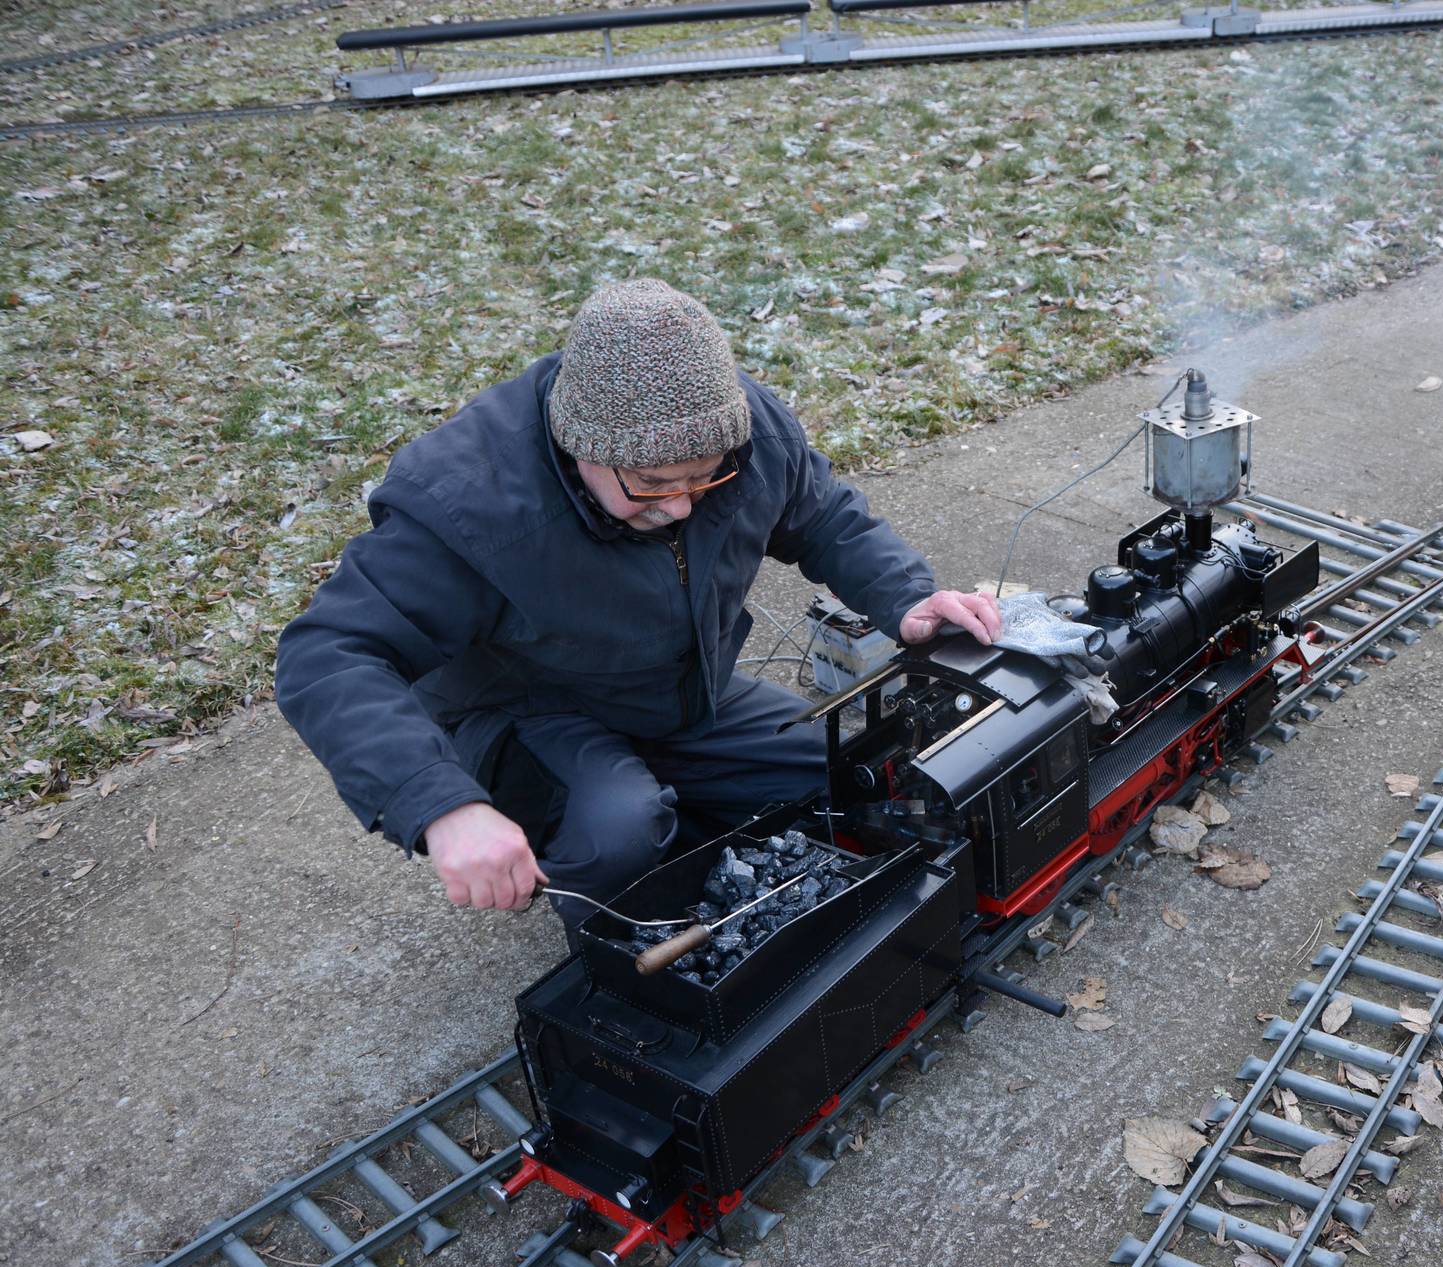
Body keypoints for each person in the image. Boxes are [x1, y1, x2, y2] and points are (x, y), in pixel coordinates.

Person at [276, 278, 1000, 929]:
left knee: (852, 770)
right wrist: (440, 804)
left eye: (703, 478)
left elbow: (822, 516)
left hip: (681, 695)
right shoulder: (472, 503)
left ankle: (690, 826)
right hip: (533, 711)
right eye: (653, 482)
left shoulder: (740, 430)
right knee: (620, 827)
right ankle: (611, 952)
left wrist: (907, 595)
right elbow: (327, 653)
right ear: (577, 442)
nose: (682, 504)